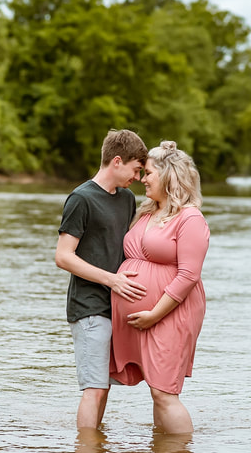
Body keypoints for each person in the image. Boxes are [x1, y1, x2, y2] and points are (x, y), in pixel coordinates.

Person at [110, 140, 210, 434]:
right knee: (157, 391)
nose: (142, 179)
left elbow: (189, 276)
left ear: (169, 176)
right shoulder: (147, 212)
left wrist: (154, 313)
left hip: (171, 312)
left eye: (149, 173)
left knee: (165, 392)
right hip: (146, 316)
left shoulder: (190, 218)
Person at [55, 129, 149, 430]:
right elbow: (64, 257)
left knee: (104, 387)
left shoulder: (127, 200)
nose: (137, 177)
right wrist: (112, 280)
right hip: (88, 306)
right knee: (93, 388)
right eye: (136, 169)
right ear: (117, 161)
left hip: (116, 306)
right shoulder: (81, 199)